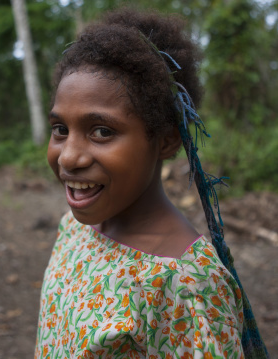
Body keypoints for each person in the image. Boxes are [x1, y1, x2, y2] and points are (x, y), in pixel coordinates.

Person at [35, 8, 268, 359]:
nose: (69, 157)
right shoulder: (75, 228)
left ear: (166, 140)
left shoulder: (184, 284)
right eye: (60, 130)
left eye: (101, 131)